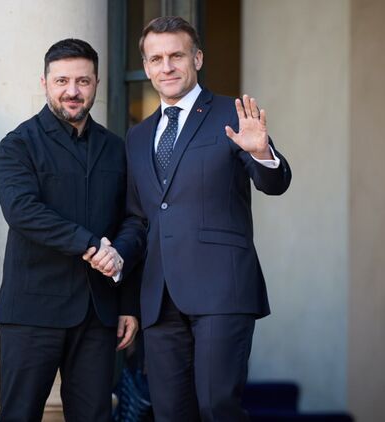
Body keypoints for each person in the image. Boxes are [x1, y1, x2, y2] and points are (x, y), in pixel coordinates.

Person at [93, 16, 293, 421]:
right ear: (146, 67)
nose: (166, 67)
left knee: (217, 406)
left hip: (221, 291)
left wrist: (261, 153)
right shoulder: (137, 136)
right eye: (156, 59)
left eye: (176, 56)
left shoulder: (232, 115)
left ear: (197, 59)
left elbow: (275, 183)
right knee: (170, 413)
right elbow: (138, 218)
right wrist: (117, 256)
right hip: (159, 297)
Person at [0, 38, 143, 422]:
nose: (72, 91)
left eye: (83, 81)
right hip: (32, 312)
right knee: (18, 416)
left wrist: (127, 303)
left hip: (98, 313)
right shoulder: (17, 144)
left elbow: (132, 220)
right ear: (44, 83)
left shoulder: (117, 148)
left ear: (96, 84)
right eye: (62, 81)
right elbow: (22, 211)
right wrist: (91, 245)